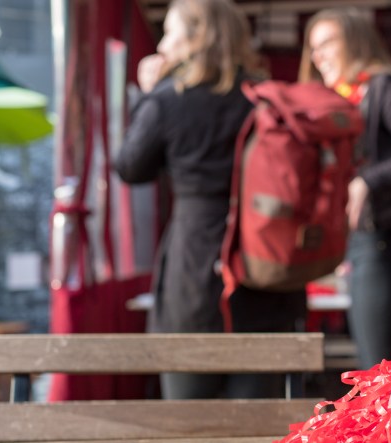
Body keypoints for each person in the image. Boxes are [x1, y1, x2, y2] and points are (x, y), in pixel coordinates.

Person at [114, 0, 305, 399]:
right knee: (258, 418)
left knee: (187, 417)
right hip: (264, 265)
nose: (164, 44)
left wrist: (150, 94)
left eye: (170, 32)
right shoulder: (266, 99)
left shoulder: (169, 99)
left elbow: (131, 167)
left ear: (196, 37)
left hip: (193, 266)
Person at [300, 8, 391, 369]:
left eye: (327, 43)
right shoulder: (346, 99)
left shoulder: (382, 87)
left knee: (382, 369)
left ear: (355, 41)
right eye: (313, 48)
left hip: (385, 245)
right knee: (377, 366)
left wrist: (368, 179)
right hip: (363, 245)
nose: (319, 56)